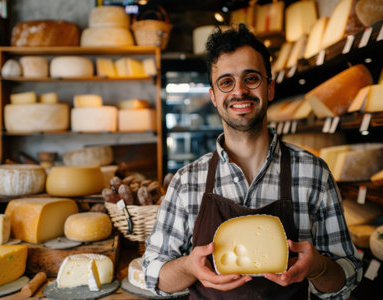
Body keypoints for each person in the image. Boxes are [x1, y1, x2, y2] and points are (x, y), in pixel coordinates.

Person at [143, 23, 362, 299]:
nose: (239, 91)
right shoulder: (187, 181)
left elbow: (348, 276)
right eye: (226, 82)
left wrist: (317, 267)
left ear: (269, 88)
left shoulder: (313, 172)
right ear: (213, 97)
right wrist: (189, 266)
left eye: (251, 78)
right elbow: (153, 274)